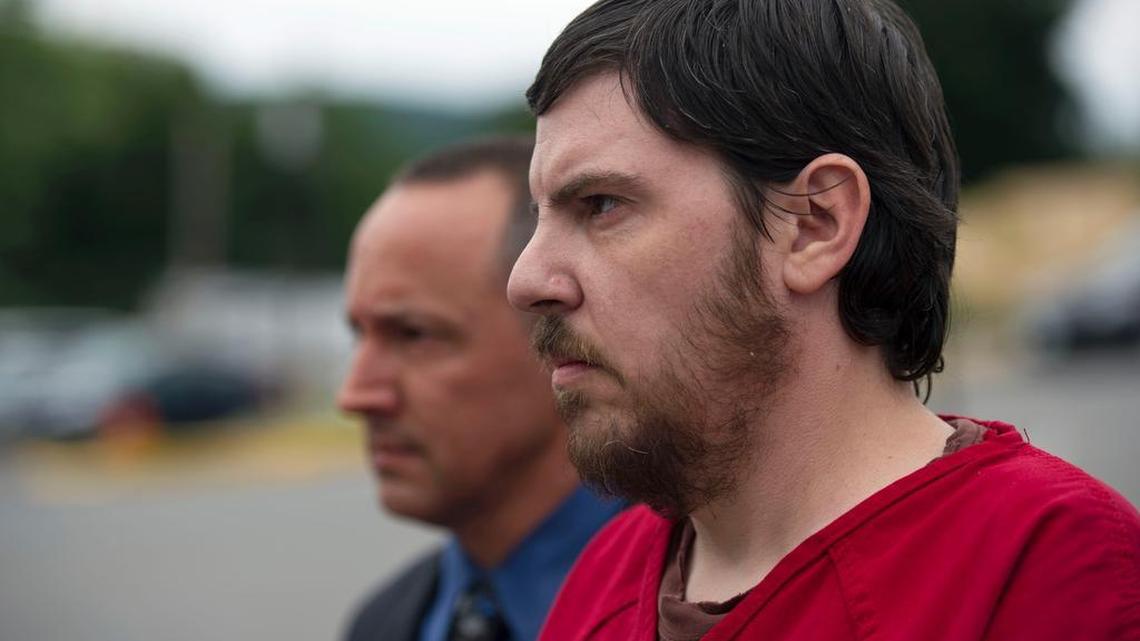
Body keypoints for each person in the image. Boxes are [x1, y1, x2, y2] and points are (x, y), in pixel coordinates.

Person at [506, 2, 1140, 640]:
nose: (526, 280)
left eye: (602, 204)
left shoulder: (1048, 566)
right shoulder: (606, 577)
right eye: (539, 216)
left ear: (815, 225)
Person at [338, 136, 624, 641]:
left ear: (559, 337)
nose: (357, 395)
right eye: (359, 335)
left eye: (413, 335)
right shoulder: (382, 622)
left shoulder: (699, 608)